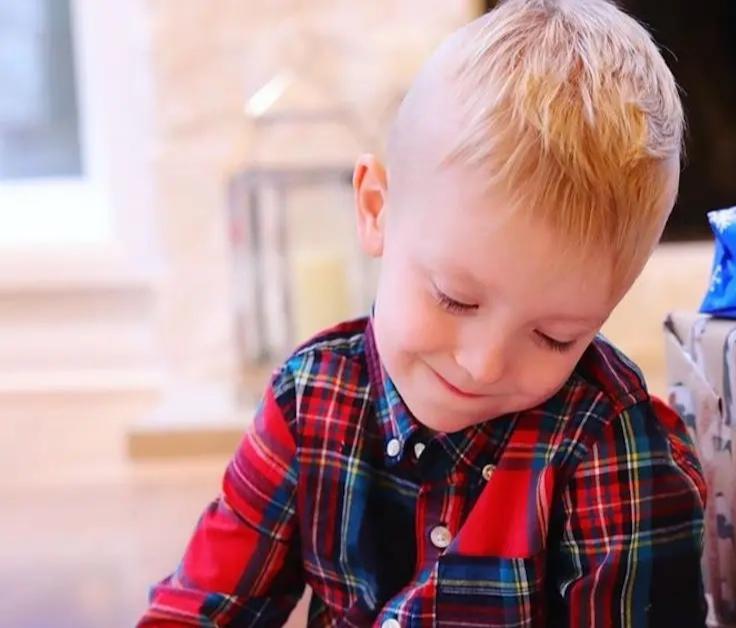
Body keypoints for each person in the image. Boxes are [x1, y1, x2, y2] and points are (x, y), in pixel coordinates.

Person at [140, 0, 706, 626]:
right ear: (377, 209)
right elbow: (203, 605)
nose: (484, 363)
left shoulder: (610, 445)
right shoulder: (310, 401)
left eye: (554, 337)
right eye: (455, 299)